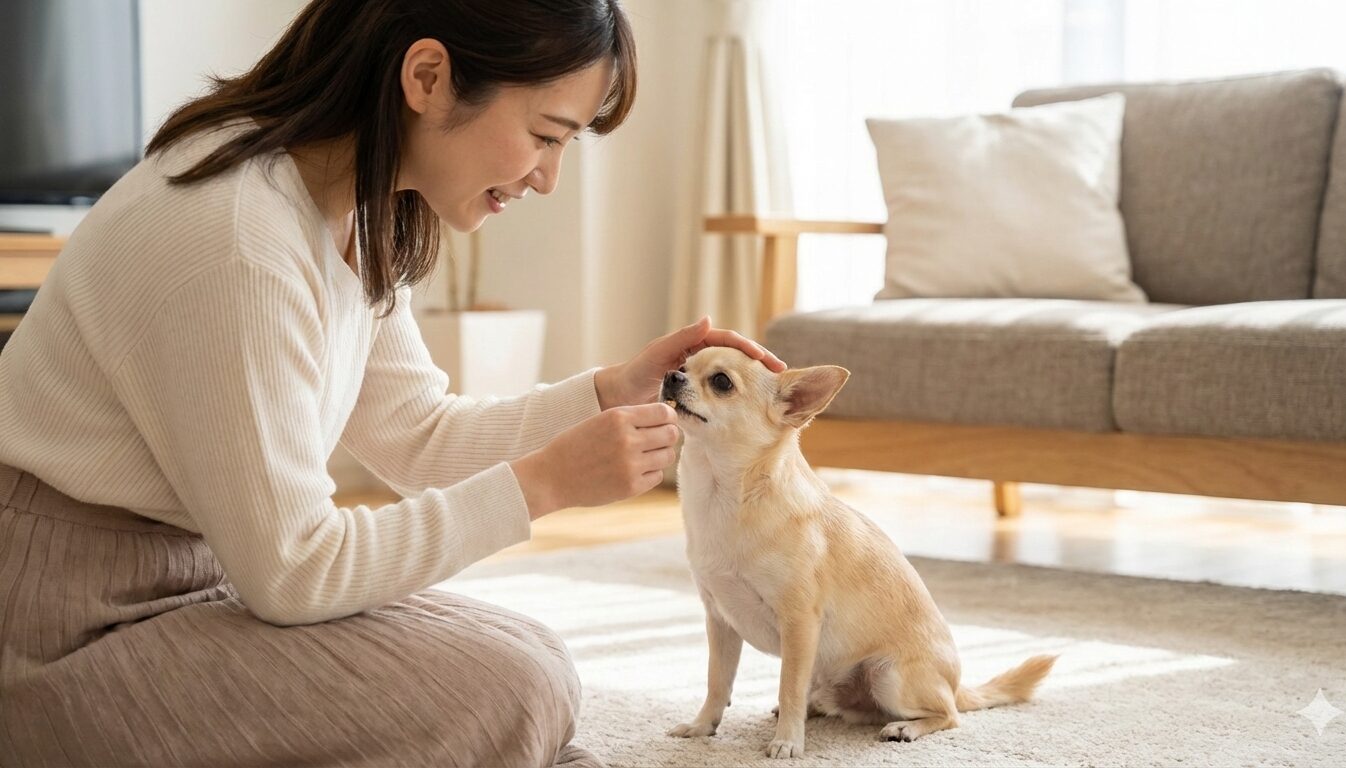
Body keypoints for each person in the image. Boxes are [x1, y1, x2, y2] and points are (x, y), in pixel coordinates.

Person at [0, 1, 785, 765]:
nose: (548, 177)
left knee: (529, 661)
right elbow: (295, 571)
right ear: (428, 76)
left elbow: (419, 436)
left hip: (207, 577)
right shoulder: (236, 239)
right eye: (546, 136)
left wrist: (611, 392)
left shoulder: (356, 212)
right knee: (513, 687)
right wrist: (543, 483)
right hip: (63, 624)